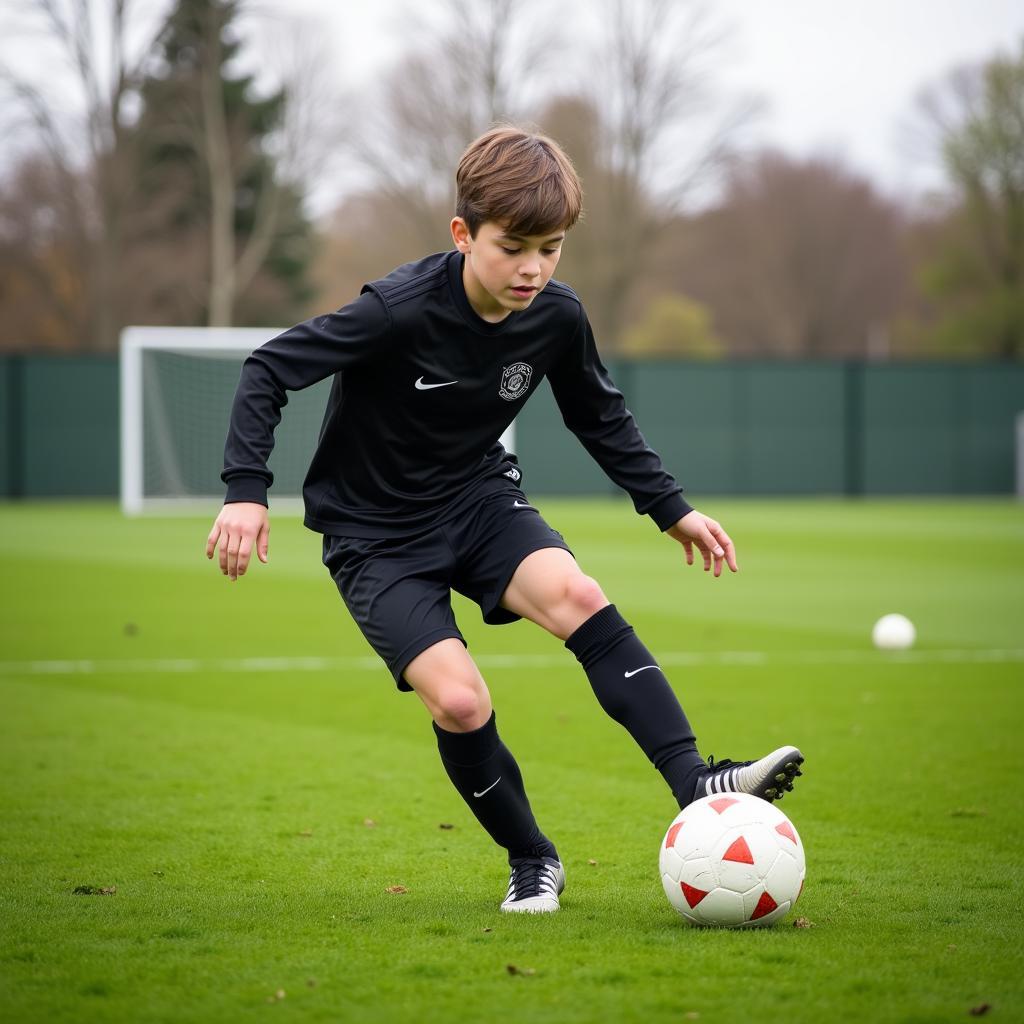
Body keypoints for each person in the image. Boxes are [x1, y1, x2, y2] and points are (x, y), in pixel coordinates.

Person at [206, 126, 803, 915]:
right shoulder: (397, 310)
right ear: (464, 235)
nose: (533, 268)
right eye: (514, 246)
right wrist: (246, 488)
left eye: (551, 248)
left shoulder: (555, 316)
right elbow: (270, 368)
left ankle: (697, 780)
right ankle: (531, 857)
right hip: (374, 534)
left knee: (578, 595)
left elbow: (600, 415)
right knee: (458, 703)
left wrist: (670, 509)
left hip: (476, 499)